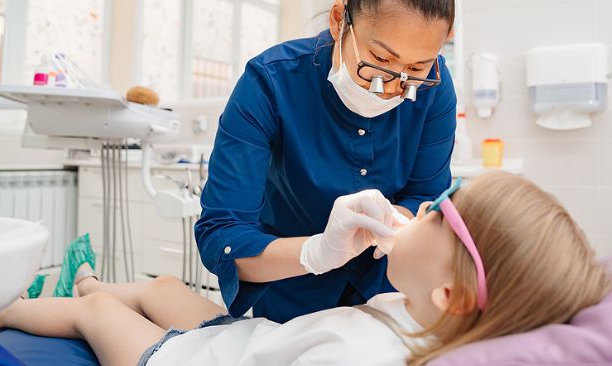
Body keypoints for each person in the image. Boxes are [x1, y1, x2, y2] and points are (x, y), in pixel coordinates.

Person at [0, 172, 612, 365]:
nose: (416, 209)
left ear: (451, 291)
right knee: (162, 285)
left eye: (433, 216)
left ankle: (2, 307)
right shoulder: (432, 314)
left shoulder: (356, 360)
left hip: (184, 363)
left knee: (99, 315)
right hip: (241, 341)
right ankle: (93, 280)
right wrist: (323, 248)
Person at [194, 0, 459, 323]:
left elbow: (427, 196)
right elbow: (222, 233)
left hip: (389, 290)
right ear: (339, 21)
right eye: (379, 60)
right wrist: (316, 252)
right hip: (292, 291)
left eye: (416, 70)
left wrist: (392, 221)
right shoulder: (271, 81)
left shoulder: (436, 86)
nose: (391, 90)